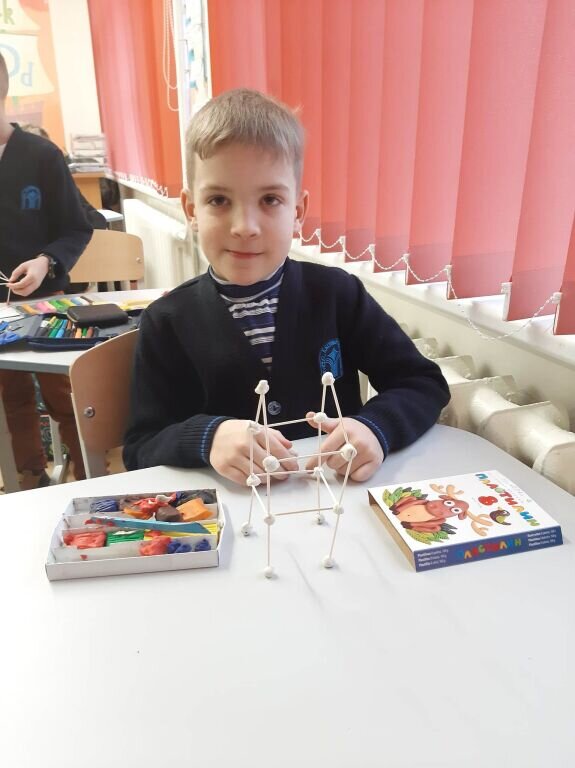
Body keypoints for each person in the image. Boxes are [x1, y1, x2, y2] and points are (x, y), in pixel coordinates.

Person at [123, 88, 450, 485]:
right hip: (235, 513)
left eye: (270, 200)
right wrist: (207, 438)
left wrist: (375, 428)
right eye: (219, 200)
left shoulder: (338, 295)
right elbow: (141, 446)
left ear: (297, 211)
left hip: (337, 500)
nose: (245, 227)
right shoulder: (166, 321)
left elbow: (422, 383)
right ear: (192, 210)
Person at [0, 52, 93, 489]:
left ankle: (86, 471)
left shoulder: (41, 156)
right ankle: (30, 476)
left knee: (62, 394)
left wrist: (45, 262)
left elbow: (77, 227)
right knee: (12, 397)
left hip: (48, 301)